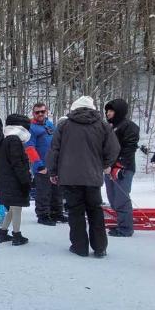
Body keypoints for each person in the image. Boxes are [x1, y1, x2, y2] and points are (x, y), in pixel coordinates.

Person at [47, 96, 120, 258]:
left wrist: (53, 171)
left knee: (75, 211)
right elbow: (114, 148)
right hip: (92, 176)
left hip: (70, 176)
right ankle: (100, 247)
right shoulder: (102, 125)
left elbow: (54, 150)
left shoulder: (64, 125)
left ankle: (80, 246)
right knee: (95, 211)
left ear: (75, 108)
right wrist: (104, 164)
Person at [103, 99, 140, 237]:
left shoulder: (129, 126)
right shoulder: (109, 126)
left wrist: (120, 164)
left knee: (121, 198)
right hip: (109, 167)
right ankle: (121, 222)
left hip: (123, 168)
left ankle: (125, 228)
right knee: (112, 198)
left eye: (111, 111)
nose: (108, 113)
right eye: (107, 111)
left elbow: (130, 148)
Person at [0, 114, 33, 245]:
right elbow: (17, 164)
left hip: (7, 180)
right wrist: (25, 181)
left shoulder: (7, 139)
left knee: (12, 209)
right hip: (14, 181)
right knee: (17, 208)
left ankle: (3, 232)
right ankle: (17, 235)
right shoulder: (14, 141)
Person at [26, 103, 64, 225]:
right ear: (33, 114)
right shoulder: (31, 127)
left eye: (42, 111)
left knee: (57, 190)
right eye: (37, 112)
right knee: (43, 191)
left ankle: (57, 212)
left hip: (54, 164)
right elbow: (29, 147)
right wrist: (38, 164)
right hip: (42, 164)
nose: (40, 114)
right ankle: (43, 214)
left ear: (46, 111)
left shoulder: (50, 124)